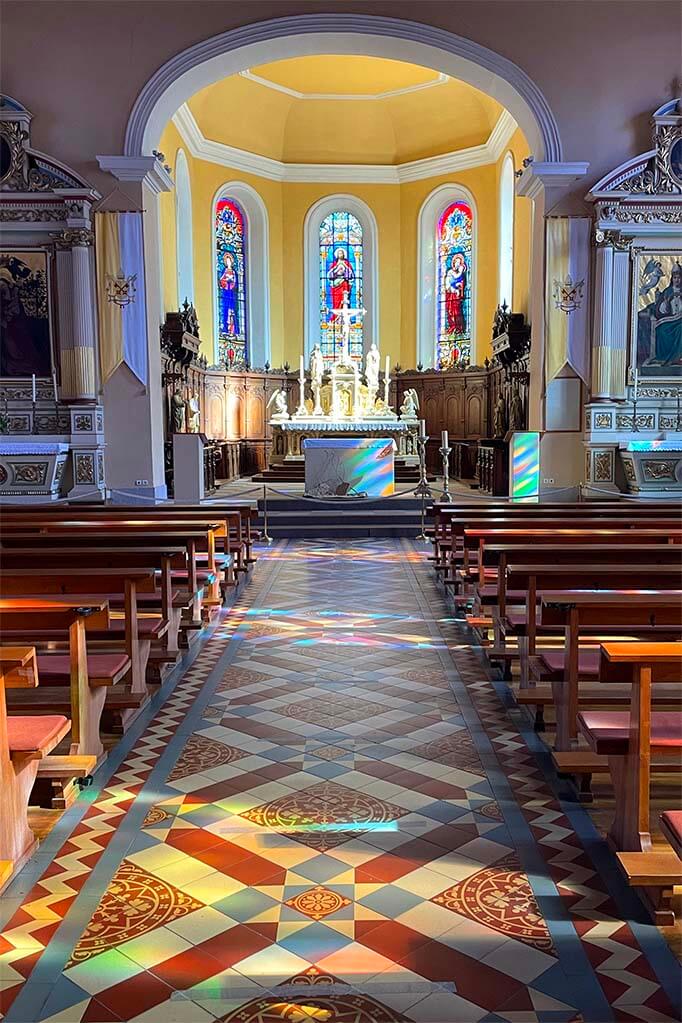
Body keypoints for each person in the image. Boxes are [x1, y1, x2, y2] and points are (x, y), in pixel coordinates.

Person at [327, 247, 355, 319]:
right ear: (337, 255)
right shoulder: (334, 264)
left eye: (341, 253)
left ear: (344, 254)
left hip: (344, 283)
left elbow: (351, 275)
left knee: (345, 299)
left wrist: (345, 266)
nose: (340, 254)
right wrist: (336, 268)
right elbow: (330, 275)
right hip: (336, 284)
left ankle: (345, 318)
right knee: (336, 301)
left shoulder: (347, 263)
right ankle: (336, 318)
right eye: (339, 253)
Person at [444, 253, 467, 336]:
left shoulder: (461, 273)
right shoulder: (450, 272)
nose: (457, 264)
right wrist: (452, 288)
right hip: (450, 294)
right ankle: (452, 327)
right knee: (450, 311)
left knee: (457, 311)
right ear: (453, 263)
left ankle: (459, 328)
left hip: (457, 295)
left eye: (459, 262)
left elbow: (462, 282)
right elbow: (448, 283)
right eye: (456, 262)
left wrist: (460, 287)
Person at [219, 252, 239, 337]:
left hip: (232, 293)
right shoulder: (224, 271)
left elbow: (236, 282)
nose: (228, 263)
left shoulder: (234, 272)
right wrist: (226, 282)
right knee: (225, 310)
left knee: (233, 311)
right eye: (226, 261)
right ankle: (225, 329)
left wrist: (232, 283)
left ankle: (234, 330)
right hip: (225, 293)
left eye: (229, 261)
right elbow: (221, 280)